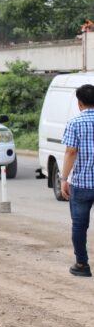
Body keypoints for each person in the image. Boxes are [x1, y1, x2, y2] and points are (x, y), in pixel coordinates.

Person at [60, 84, 94, 277]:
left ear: (79, 103)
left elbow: (71, 151)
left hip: (81, 184)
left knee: (79, 225)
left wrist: (64, 178)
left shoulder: (75, 123)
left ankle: (82, 264)